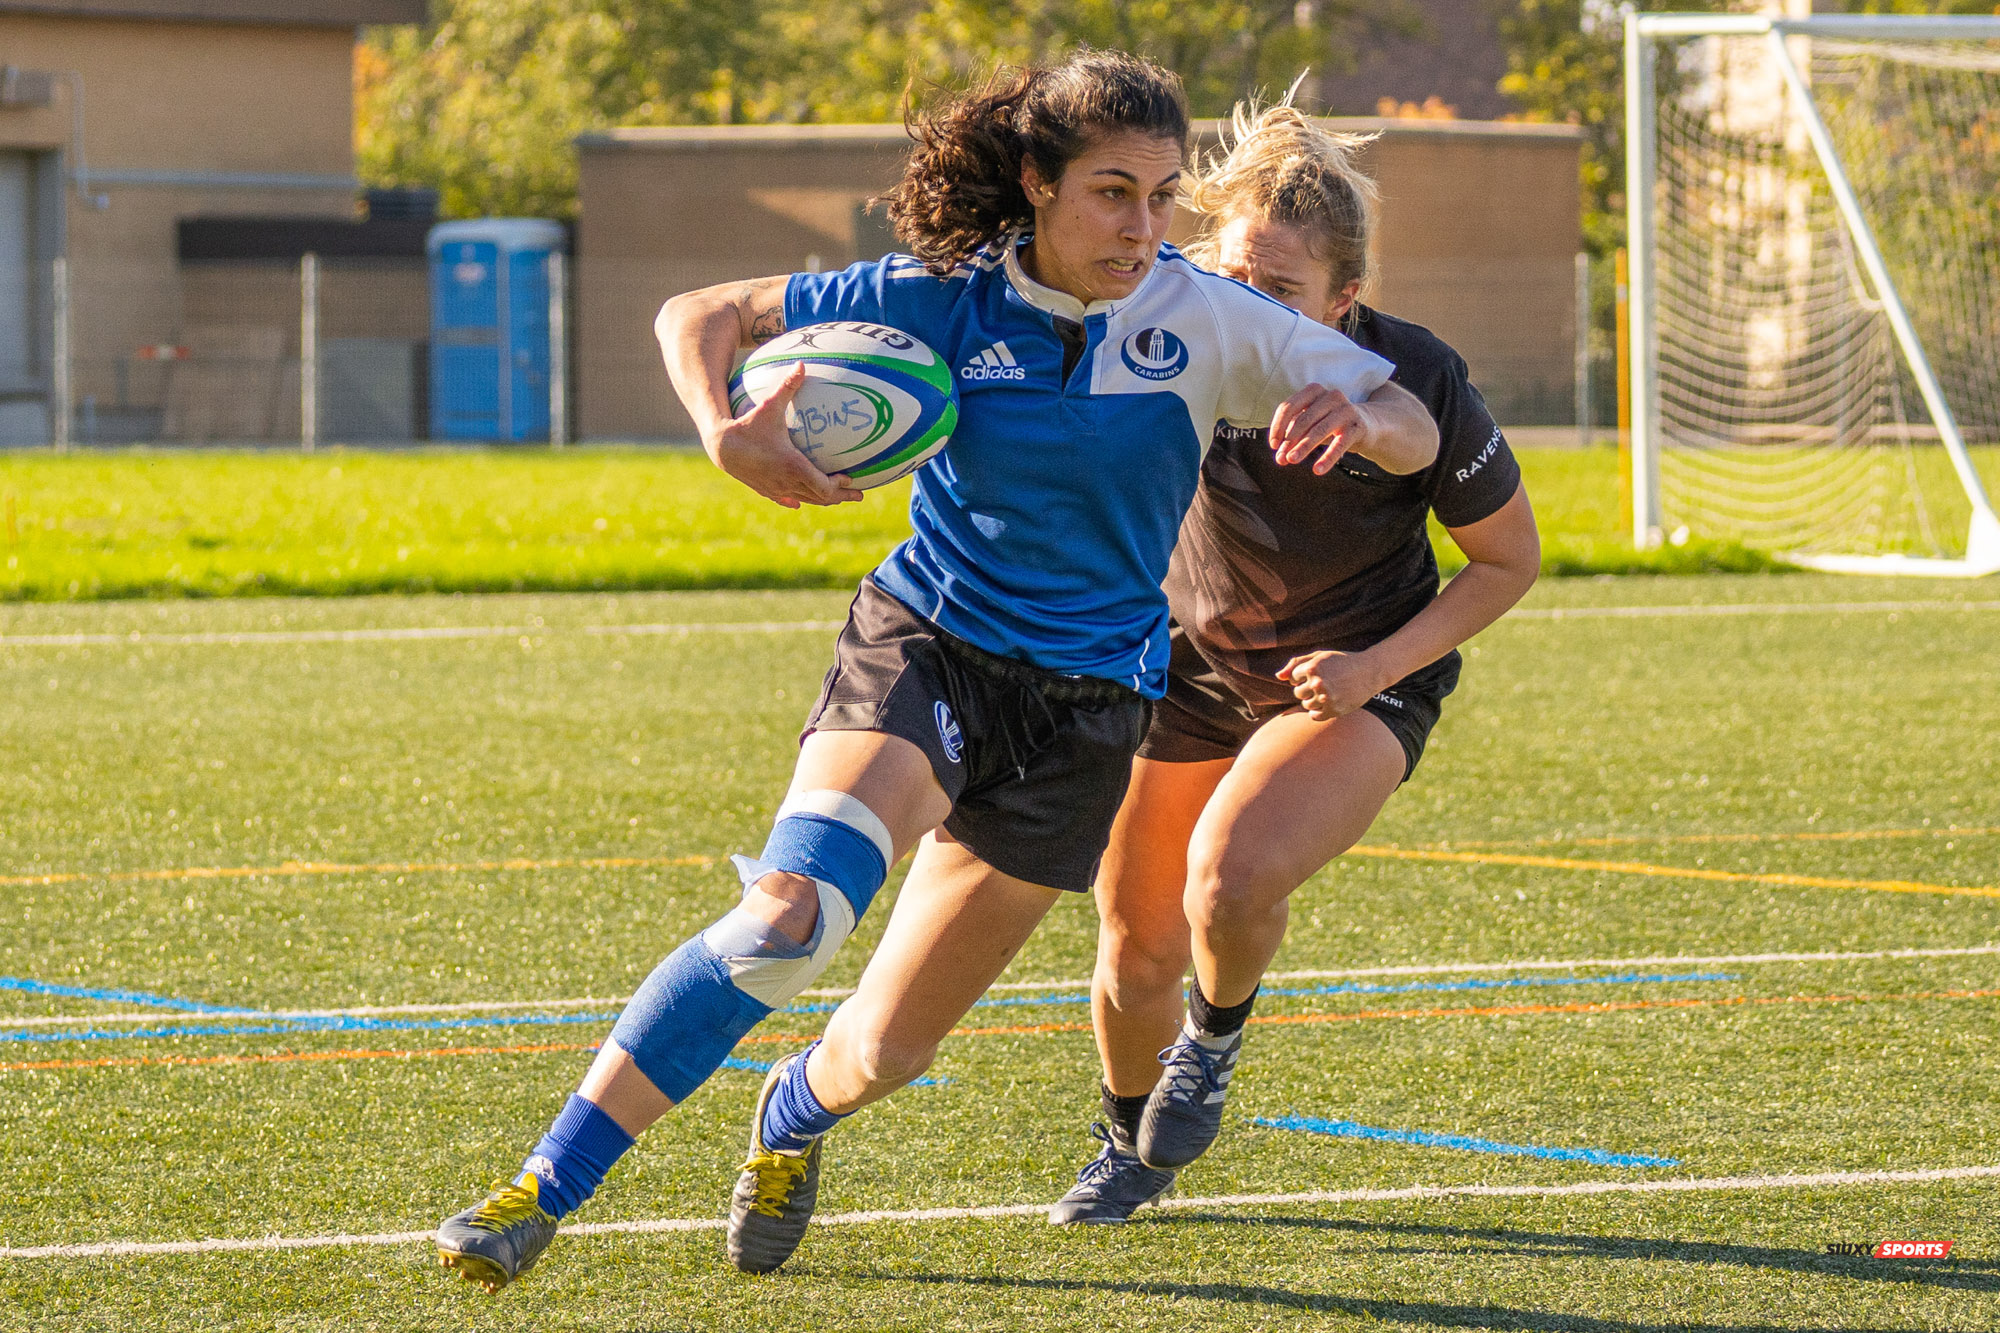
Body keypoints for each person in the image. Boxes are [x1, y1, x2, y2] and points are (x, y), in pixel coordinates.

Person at [434, 51, 1437, 1291]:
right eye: (1110, 192)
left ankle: (791, 1116)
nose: (1142, 227)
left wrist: (1362, 424)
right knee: (785, 920)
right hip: (929, 648)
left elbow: (1411, 421)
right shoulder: (932, 297)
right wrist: (721, 429)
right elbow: (697, 314)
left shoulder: (1209, 319)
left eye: (1162, 196)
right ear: (1035, 182)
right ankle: (541, 1187)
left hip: (1084, 719)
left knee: (887, 1052)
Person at [1048, 98, 1541, 1224]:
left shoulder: (1406, 371)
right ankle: (1128, 1142)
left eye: (1277, 294)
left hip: (1360, 667)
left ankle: (1210, 1046)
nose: (1246, 310)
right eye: (1231, 280)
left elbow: (1504, 560)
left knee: (1224, 873)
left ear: (1340, 303)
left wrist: (1377, 666)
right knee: (1131, 943)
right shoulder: (1162, 328)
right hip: (1186, 664)